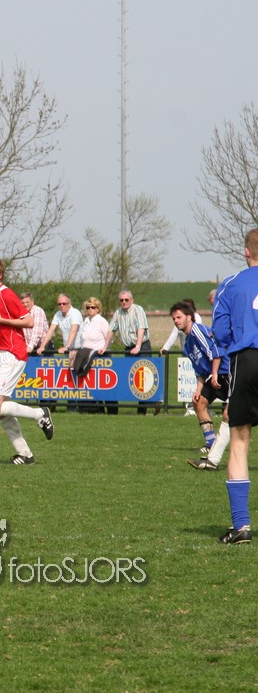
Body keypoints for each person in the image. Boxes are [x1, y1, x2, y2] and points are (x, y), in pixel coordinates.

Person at [0, 255, 54, 465]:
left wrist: (2, 320)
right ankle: (25, 454)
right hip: (0, 352)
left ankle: (40, 413)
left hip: (13, 353)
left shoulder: (6, 294)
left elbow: (28, 321)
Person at [211, 229, 258, 544]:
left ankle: (241, 526)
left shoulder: (231, 284)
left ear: (246, 252)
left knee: (240, 440)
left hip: (248, 360)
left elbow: (219, 331)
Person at [171, 300, 230, 472]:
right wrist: (197, 390)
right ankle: (211, 443)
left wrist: (215, 373)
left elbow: (216, 352)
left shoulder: (197, 330)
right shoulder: (187, 344)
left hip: (225, 373)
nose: (176, 321)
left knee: (233, 414)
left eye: (179, 317)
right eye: (174, 319)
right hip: (214, 375)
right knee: (199, 403)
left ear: (189, 317)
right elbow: (200, 371)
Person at [107, 289, 160, 415]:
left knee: (144, 378)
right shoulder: (118, 313)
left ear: (132, 300)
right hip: (128, 347)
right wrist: (105, 346)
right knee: (129, 377)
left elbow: (141, 328)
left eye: (126, 300)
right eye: (121, 300)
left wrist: (138, 346)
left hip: (142, 346)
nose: (124, 302)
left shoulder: (138, 310)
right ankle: (150, 403)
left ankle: (144, 408)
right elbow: (111, 329)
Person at [76, 297, 111, 413]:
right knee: (88, 384)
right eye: (88, 307)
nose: (90, 309)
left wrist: (104, 348)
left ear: (98, 309)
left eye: (93, 307)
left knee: (102, 385)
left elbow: (109, 338)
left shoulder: (102, 321)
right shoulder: (85, 321)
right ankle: (90, 408)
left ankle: (109, 409)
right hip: (86, 355)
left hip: (99, 356)